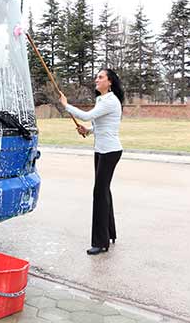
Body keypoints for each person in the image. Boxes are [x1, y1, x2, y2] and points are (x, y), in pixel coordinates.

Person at [59, 68, 124, 255]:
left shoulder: (111, 100)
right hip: (101, 151)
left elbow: (87, 116)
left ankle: (101, 243)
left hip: (110, 151)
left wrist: (66, 105)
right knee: (104, 191)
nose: (97, 80)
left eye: (100, 77)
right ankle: (110, 233)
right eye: (97, 77)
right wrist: (87, 131)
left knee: (99, 193)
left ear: (109, 82)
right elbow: (97, 125)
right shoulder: (102, 100)